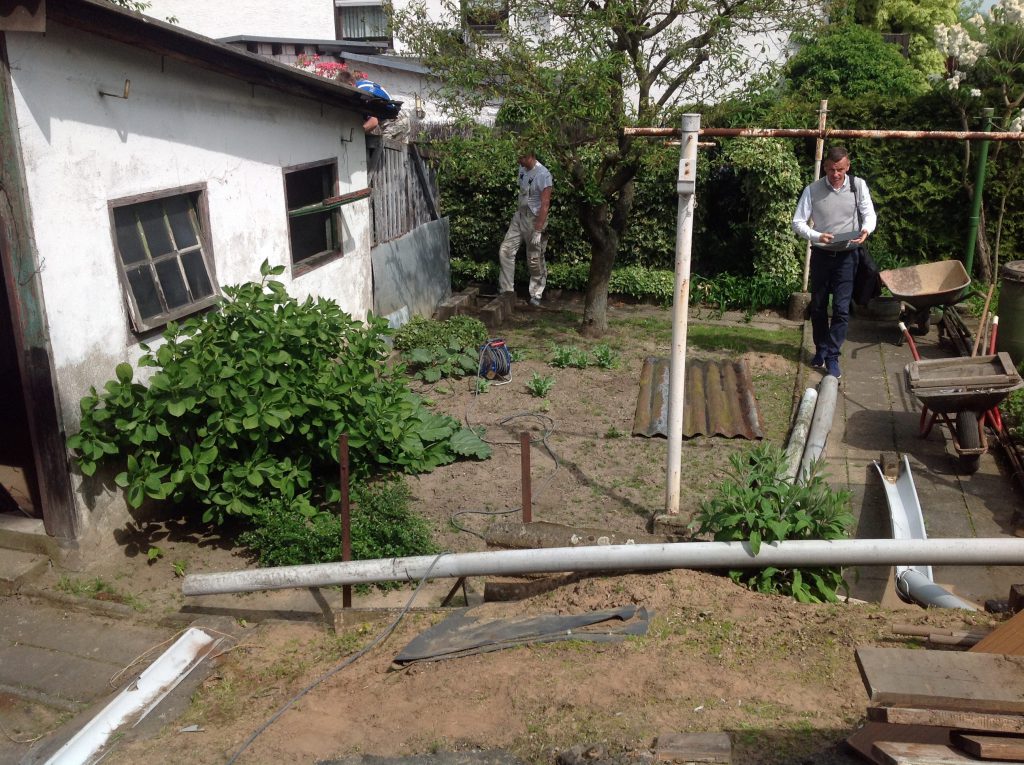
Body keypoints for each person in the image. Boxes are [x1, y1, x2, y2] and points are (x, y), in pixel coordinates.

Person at [792, 146, 877, 380]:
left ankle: (832, 356)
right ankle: (820, 349)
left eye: (840, 169)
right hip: (821, 255)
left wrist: (866, 231)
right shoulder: (812, 190)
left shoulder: (858, 186)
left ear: (847, 167)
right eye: (830, 169)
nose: (835, 174)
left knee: (841, 309)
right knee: (818, 307)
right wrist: (817, 236)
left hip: (848, 256)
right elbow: (798, 222)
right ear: (825, 167)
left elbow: (869, 215)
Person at [498, 150, 553, 307]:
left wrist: (538, 230)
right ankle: (506, 291)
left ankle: (536, 294)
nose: (518, 161)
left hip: (535, 220)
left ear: (531, 156)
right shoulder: (522, 169)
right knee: (505, 251)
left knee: (534, 259)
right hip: (520, 216)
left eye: (521, 157)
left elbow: (545, 204)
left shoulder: (543, 175)